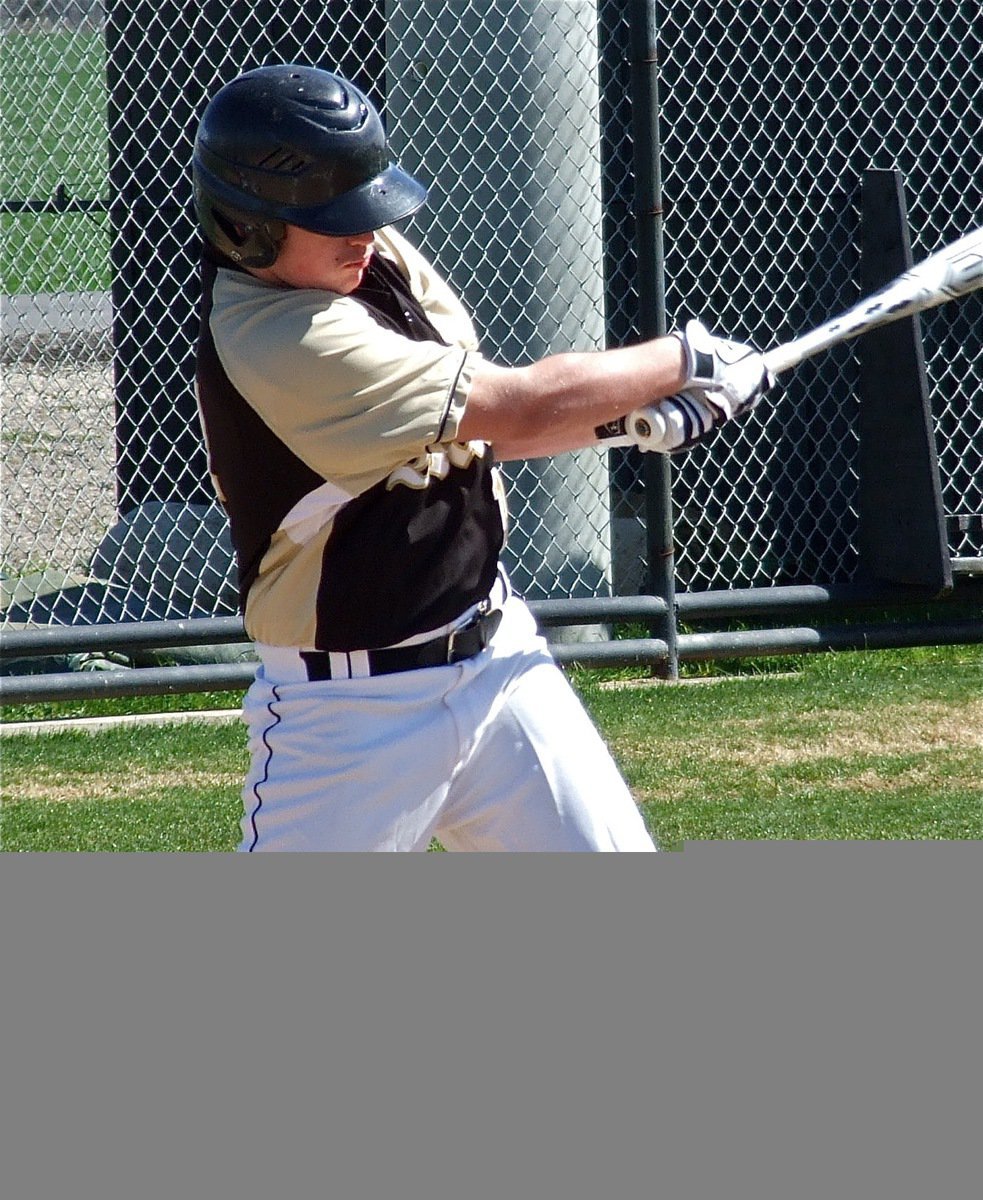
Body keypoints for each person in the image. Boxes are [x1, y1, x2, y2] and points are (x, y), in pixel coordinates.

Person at [192, 63, 772, 852]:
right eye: (337, 216)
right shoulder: (278, 340)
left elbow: (482, 428)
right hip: (354, 719)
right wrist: (686, 359)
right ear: (247, 226)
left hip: (498, 658)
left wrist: (624, 422)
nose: (365, 229)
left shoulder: (365, 257)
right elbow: (524, 401)